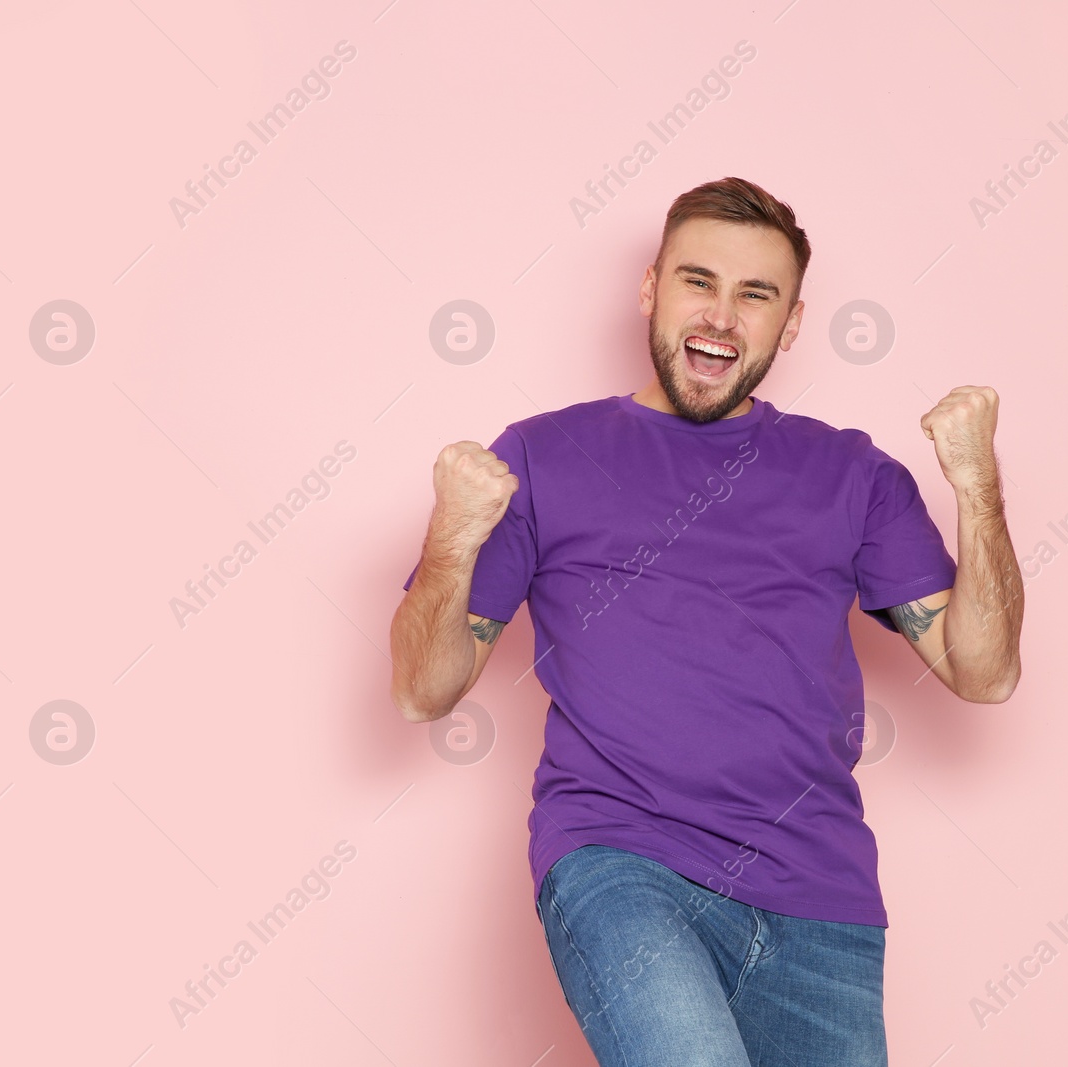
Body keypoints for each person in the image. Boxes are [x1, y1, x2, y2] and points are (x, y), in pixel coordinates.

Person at [390, 176, 1024, 1066]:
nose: (721, 315)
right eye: (699, 281)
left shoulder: (854, 475)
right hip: (624, 863)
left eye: (755, 294)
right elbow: (423, 691)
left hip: (822, 899)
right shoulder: (543, 454)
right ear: (651, 290)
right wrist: (453, 539)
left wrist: (977, 486)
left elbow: (985, 672)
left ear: (791, 323)